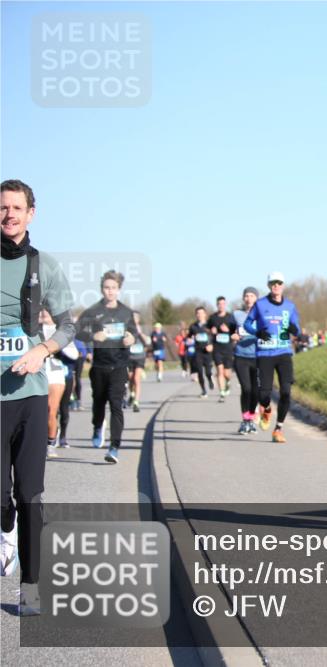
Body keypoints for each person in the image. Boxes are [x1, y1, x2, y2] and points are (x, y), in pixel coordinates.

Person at [1, 179, 76, 614]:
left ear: (31, 213)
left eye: (16, 207)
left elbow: (69, 325)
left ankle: (30, 586)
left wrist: (41, 350)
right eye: (2, 208)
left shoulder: (43, 266)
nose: (9, 214)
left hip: (29, 394)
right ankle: (4, 526)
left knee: (30, 493)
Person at [76, 270, 139, 464]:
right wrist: (93, 337)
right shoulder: (93, 312)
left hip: (119, 365)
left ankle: (114, 447)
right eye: (106, 288)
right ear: (101, 289)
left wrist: (131, 338)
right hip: (99, 366)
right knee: (99, 403)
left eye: (113, 288)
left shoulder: (126, 312)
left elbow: (133, 333)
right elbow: (77, 333)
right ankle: (97, 426)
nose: (110, 291)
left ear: (119, 290)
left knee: (116, 404)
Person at [242, 271, 300, 443]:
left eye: (279, 283)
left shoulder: (289, 306)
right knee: (264, 394)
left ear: (283, 285)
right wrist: (257, 332)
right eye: (273, 283)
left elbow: (297, 329)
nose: (276, 286)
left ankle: (278, 429)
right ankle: (266, 408)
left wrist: (293, 330)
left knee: (285, 392)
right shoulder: (260, 305)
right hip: (265, 353)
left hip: (283, 353)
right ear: (269, 286)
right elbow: (247, 324)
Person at [39, 309, 78, 459]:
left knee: (51, 410)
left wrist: (56, 347)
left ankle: (50, 444)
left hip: (56, 374)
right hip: (38, 373)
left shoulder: (60, 331)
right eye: (41, 313)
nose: (43, 315)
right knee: (36, 412)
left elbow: (74, 354)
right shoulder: (33, 329)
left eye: (46, 313)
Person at [232, 287, 259, 434]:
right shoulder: (237, 315)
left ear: (256, 298)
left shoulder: (261, 315)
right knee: (246, 389)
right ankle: (245, 421)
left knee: (255, 392)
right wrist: (232, 336)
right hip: (241, 356)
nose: (249, 298)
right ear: (243, 299)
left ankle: (251, 420)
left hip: (257, 357)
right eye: (246, 296)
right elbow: (228, 331)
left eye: (252, 295)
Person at [208, 296, 238, 402]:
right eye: (219, 304)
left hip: (228, 349)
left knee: (227, 373)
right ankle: (221, 393)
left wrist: (228, 330)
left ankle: (228, 382)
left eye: (223, 304)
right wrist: (212, 331)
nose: (221, 305)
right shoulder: (212, 318)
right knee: (219, 371)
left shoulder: (231, 317)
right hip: (217, 349)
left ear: (225, 305)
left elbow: (236, 332)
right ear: (217, 305)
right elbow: (207, 330)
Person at [188, 307, 215, 398]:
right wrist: (190, 340)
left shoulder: (209, 325)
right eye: (198, 313)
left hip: (207, 352)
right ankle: (203, 390)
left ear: (205, 314)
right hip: (198, 351)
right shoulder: (193, 326)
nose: (199, 315)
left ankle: (210, 379)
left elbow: (214, 336)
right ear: (196, 315)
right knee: (199, 371)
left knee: (207, 371)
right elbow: (189, 337)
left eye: (201, 313)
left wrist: (211, 345)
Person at [127, 311, 150, 412]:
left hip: (140, 357)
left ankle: (136, 402)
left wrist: (140, 333)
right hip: (129, 357)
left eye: (135, 318)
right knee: (130, 378)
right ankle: (132, 393)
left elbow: (147, 342)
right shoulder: (127, 329)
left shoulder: (142, 329)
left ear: (138, 319)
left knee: (136, 378)